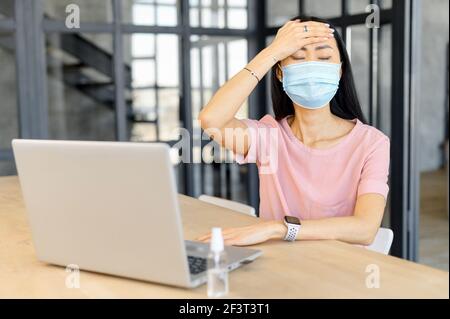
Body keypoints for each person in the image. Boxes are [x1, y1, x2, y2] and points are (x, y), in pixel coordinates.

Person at [196, 16, 390, 247]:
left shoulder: (372, 143)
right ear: (279, 73)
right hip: (280, 263)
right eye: (297, 57)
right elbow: (212, 119)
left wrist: (278, 228)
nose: (311, 66)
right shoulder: (268, 137)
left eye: (324, 57)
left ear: (339, 71)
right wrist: (272, 53)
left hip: (340, 268)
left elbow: (365, 229)